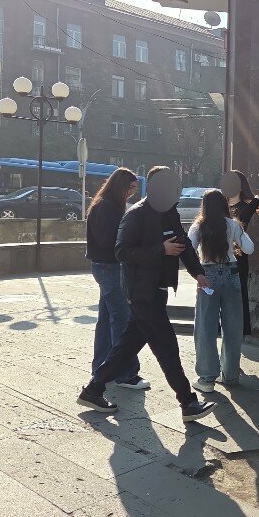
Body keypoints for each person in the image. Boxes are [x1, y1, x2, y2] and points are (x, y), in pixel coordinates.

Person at [78, 166, 216, 423]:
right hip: (141, 292)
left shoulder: (169, 212)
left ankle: (93, 390)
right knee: (167, 347)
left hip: (158, 289)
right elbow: (122, 252)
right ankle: (188, 402)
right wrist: (160, 249)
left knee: (126, 347)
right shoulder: (136, 214)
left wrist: (197, 272)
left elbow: (183, 242)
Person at [85, 168, 149, 391]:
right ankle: (127, 374)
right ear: (121, 185)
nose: (132, 193)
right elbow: (108, 241)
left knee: (106, 321)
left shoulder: (105, 204)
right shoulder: (108, 208)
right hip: (110, 268)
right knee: (123, 321)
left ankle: (102, 368)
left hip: (106, 267)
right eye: (131, 188)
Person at [188, 189, 255, 392]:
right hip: (231, 275)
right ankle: (231, 374)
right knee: (233, 327)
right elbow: (249, 248)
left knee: (205, 328)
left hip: (208, 276)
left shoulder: (198, 226)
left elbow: (189, 249)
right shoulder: (233, 224)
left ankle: (207, 379)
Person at [228, 170, 259, 337]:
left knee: (239, 293)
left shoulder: (245, 208)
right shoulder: (221, 206)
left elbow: (242, 219)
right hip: (220, 255)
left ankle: (241, 330)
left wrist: (257, 200)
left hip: (238, 256)